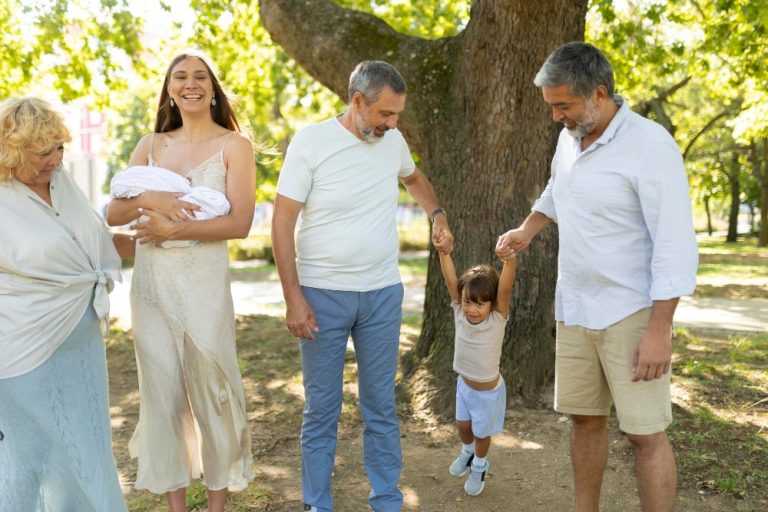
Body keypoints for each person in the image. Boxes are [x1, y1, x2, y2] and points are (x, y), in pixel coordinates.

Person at [497, 42, 698, 512]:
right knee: (585, 421)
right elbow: (557, 188)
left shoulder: (650, 146)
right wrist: (527, 229)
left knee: (645, 435)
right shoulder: (570, 136)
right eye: (551, 106)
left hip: (631, 312)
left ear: (599, 94)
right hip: (575, 308)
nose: (555, 117)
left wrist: (659, 330)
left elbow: (674, 243)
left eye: (562, 105)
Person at [271, 60, 454, 512]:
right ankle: (318, 504)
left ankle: (386, 500)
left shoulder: (392, 141)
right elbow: (281, 221)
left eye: (397, 116)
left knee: (380, 407)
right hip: (321, 295)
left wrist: (437, 214)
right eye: (384, 115)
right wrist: (293, 298)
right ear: (357, 101)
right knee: (322, 411)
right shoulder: (312, 142)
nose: (392, 124)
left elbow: (413, 178)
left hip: (382, 295)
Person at [105, 50, 255, 512]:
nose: (191, 84)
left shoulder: (235, 146)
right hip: (152, 288)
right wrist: (149, 196)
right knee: (162, 395)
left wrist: (176, 227)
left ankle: (217, 505)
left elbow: (241, 224)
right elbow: (113, 212)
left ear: (213, 88)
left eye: (200, 77)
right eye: (181, 77)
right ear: (169, 88)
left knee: (212, 391)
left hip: (205, 288)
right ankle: (176, 507)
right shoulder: (150, 146)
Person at [0, 97, 132, 511]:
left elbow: (90, 244)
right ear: (14, 150)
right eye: (43, 152)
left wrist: (160, 241)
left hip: (81, 343)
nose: (55, 160)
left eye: (59, 148)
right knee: (30, 457)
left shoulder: (62, 182)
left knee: (87, 448)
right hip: (23, 348)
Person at [439, 243, 516, 496]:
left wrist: (509, 262)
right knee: (463, 426)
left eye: (480, 304)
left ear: (492, 304)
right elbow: (451, 279)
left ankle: (479, 466)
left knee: (482, 434)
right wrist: (444, 253)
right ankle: (468, 452)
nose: (472, 309)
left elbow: (505, 287)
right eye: (468, 302)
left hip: (487, 394)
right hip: (464, 386)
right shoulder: (460, 312)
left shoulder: (497, 318)